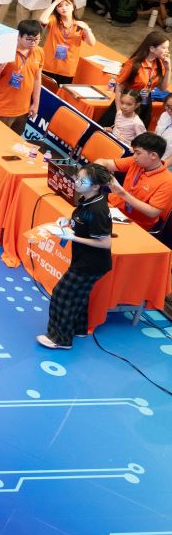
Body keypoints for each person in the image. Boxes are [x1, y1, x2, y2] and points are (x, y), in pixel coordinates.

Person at [34, 163, 114, 350]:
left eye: (82, 180)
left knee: (62, 295)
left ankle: (60, 339)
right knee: (79, 296)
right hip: (83, 258)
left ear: (95, 186)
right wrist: (69, 221)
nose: (76, 182)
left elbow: (105, 243)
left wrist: (73, 237)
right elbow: (83, 220)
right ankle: (79, 328)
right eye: (77, 177)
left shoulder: (98, 210)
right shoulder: (87, 198)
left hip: (91, 264)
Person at [93, 132, 172, 232]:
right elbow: (103, 162)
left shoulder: (167, 181)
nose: (134, 156)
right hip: (114, 204)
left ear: (153, 155)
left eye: (138, 153)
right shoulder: (136, 162)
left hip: (136, 222)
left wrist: (123, 194)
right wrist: (103, 172)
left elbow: (153, 212)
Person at [0, 20, 45, 133]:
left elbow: (37, 79)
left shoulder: (39, 52)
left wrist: (35, 103)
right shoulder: (5, 51)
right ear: (18, 36)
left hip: (23, 110)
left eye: (37, 39)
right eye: (29, 39)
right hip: (1, 109)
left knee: (14, 142)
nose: (33, 43)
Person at [106, 31, 171, 128]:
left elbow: (163, 88)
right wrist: (119, 110)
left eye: (167, 48)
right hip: (128, 101)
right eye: (164, 48)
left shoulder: (160, 64)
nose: (167, 51)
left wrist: (168, 68)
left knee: (138, 133)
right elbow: (119, 88)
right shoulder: (133, 64)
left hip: (145, 103)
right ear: (152, 48)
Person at [38, 0, 95, 85]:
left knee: (60, 93)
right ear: (57, 9)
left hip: (67, 68)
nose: (64, 8)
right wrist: (55, 3)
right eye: (60, 6)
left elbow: (92, 43)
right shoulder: (54, 20)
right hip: (48, 65)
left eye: (67, 5)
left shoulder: (80, 25)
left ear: (73, 7)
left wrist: (87, 30)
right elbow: (42, 19)